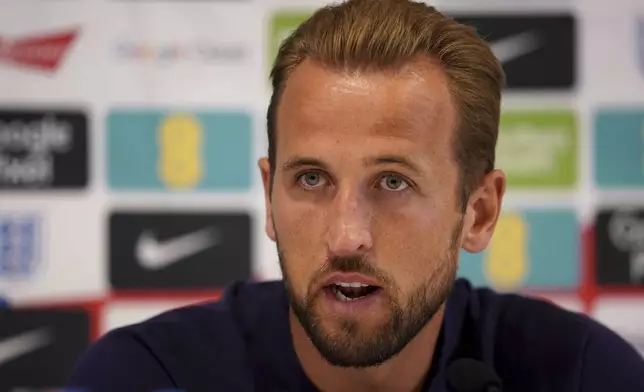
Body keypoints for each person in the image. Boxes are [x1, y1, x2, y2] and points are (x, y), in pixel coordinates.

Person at [66, 0, 644, 391]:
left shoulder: (582, 375)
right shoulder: (146, 376)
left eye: (393, 182)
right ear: (269, 197)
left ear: (480, 211)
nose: (346, 236)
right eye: (312, 179)